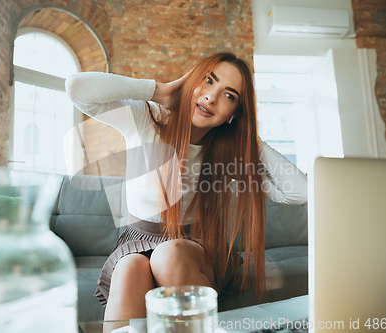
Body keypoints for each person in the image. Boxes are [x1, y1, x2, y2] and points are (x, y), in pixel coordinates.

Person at [65, 52, 307, 321]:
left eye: (229, 96)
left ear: (233, 115)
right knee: (130, 268)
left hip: (194, 248)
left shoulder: (227, 154)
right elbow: (77, 88)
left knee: (170, 253)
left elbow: (299, 192)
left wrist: (248, 137)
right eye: (208, 81)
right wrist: (161, 91)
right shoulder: (147, 117)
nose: (211, 97)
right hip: (136, 242)